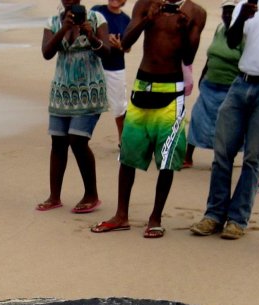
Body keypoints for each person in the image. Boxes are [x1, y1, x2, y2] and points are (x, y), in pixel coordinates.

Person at [90, 0, 207, 238]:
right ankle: (121, 215)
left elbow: (188, 57)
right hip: (143, 86)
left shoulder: (196, 12)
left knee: (167, 158)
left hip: (171, 91)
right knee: (128, 154)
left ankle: (155, 217)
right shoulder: (146, 3)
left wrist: (185, 29)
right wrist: (147, 18)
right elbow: (126, 41)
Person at [189, 0, 259, 241]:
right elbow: (233, 40)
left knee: (253, 157)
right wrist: (242, 17)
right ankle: (214, 215)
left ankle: (237, 219)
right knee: (222, 151)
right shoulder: (246, 4)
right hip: (242, 81)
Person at [37, 0, 110, 214]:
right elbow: (47, 53)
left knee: (78, 140)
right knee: (58, 142)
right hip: (62, 92)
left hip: (90, 91)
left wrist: (91, 35)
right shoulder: (52, 22)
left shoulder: (97, 19)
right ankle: (54, 196)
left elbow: (106, 52)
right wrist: (64, 29)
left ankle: (92, 194)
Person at [183, 0, 243, 169]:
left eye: (231, 12)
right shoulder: (219, 29)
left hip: (230, 87)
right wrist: (202, 77)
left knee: (224, 126)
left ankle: (222, 159)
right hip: (210, 84)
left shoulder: (244, 35)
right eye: (225, 12)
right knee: (197, 118)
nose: (227, 15)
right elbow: (211, 57)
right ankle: (188, 157)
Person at [93, 0, 132, 142]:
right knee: (87, 103)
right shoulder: (97, 11)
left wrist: (119, 45)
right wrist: (102, 39)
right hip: (94, 65)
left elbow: (128, 48)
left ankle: (123, 140)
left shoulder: (126, 20)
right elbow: (85, 33)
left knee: (119, 107)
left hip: (115, 67)